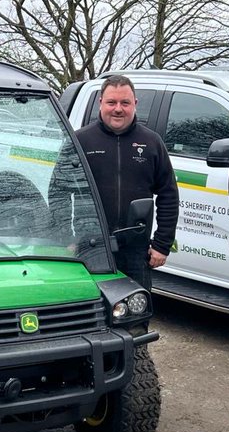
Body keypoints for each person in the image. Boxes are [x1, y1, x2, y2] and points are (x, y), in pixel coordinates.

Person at [73, 74, 179, 291]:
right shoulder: (80, 141)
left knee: (135, 315)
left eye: (125, 103)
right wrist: (66, 238)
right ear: (100, 102)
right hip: (90, 247)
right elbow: (59, 191)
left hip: (136, 250)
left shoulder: (152, 143)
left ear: (135, 104)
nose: (118, 109)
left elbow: (169, 196)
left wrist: (161, 245)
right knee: (90, 313)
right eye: (111, 102)